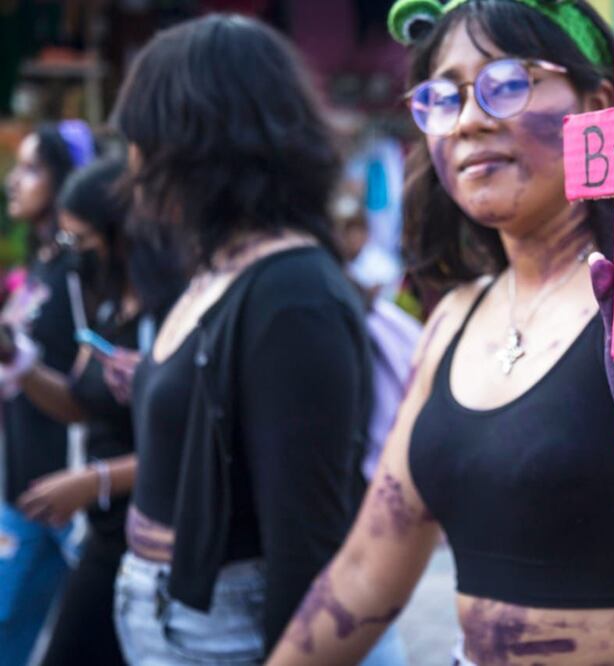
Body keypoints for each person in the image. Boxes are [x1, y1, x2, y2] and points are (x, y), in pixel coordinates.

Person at [268, 1, 614, 664]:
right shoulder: (450, 318)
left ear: (599, 101)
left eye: (506, 83)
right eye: (440, 97)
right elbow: (362, 576)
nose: (468, 119)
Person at [108, 14, 405, 664]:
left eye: (144, 138)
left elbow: (306, 547)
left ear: (199, 141)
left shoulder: (291, 292)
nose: (131, 161)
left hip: (230, 628)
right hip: (168, 611)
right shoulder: (219, 264)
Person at [3, 157, 179, 665]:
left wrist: (93, 481)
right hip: (103, 533)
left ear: (122, 233)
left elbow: (193, 448)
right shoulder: (104, 304)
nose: (75, 256)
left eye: (83, 242)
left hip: (152, 539)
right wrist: (16, 361)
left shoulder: (169, 310)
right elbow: (79, 405)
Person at [0, 121, 92, 666]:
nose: (15, 180)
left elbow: (94, 388)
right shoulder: (42, 265)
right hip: (22, 491)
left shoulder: (78, 275)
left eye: (32, 168)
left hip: (65, 500)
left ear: (65, 183)